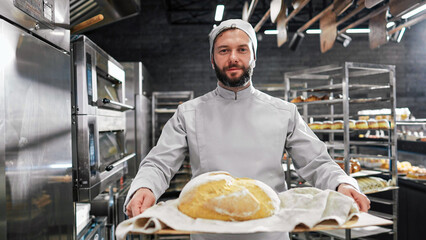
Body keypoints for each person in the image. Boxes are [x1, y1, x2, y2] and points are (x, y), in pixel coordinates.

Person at [124, 19, 370, 240]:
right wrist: (144, 187)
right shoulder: (189, 113)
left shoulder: (284, 112)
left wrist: (342, 184)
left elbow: (317, 162)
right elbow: (159, 163)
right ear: (212, 60)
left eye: (242, 49)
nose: (233, 58)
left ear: (254, 57)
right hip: (209, 235)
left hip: (269, 234)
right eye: (224, 51)